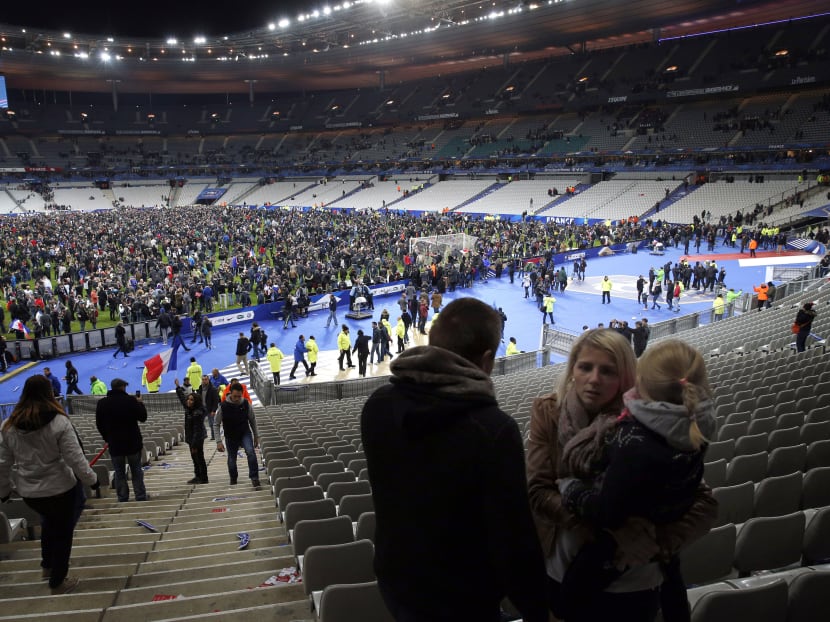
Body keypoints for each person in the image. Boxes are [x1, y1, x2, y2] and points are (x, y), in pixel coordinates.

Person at [361, 298, 548, 622]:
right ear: (487, 360)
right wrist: (538, 611)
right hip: (463, 597)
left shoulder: (377, 405)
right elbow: (512, 538)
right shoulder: (493, 429)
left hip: (396, 578)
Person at [526, 329, 717, 622]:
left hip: (636, 579)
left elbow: (705, 503)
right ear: (572, 369)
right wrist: (611, 533)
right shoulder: (548, 412)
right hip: (558, 568)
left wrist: (653, 542)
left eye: (608, 371)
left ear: (627, 375)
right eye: (585, 367)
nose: (594, 379)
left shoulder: (647, 424)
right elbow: (538, 490)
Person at [0, 375, 98, 595]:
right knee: (63, 533)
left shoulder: (8, 425)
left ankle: (47, 566)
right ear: (49, 393)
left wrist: (4, 491)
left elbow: (2, 464)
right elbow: (75, 458)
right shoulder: (59, 421)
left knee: (49, 524)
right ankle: (57, 580)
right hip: (60, 488)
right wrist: (92, 479)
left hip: (30, 493)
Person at [95, 378, 149, 502]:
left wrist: (107, 438)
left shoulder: (102, 403)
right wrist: (140, 403)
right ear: (123, 387)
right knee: (136, 471)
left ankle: (123, 497)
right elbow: (143, 417)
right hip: (132, 443)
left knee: (119, 473)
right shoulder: (130, 401)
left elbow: (99, 424)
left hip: (115, 444)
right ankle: (140, 496)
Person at [214, 382, 260, 488]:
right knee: (232, 458)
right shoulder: (223, 406)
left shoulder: (245, 403)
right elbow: (216, 424)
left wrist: (256, 436)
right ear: (230, 393)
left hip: (244, 432)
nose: (237, 399)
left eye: (239, 396)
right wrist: (218, 441)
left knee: (251, 453)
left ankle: (254, 478)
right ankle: (233, 478)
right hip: (230, 435)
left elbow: (252, 420)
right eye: (235, 396)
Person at [174, 378, 209, 484]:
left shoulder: (197, 413)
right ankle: (197, 476)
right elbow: (182, 398)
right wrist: (178, 387)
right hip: (191, 438)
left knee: (199, 458)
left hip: (196, 438)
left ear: (196, 402)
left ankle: (203, 478)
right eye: (189, 399)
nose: (188, 401)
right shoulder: (189, 408)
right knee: (195, 458)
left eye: (191, 400)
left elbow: (197, 431)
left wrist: (194, 445)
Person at [197, 375, 220, 440]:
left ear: (208, 380)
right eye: (203, 379)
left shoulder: (213, 389)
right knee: (200, 422)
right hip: (202, 408)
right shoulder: (200, 387)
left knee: (211, 423)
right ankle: (204, 434)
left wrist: (214, 410)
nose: (204, 381)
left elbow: (216, 401)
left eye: (205, 379)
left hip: (210, 408)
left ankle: (213, 436)